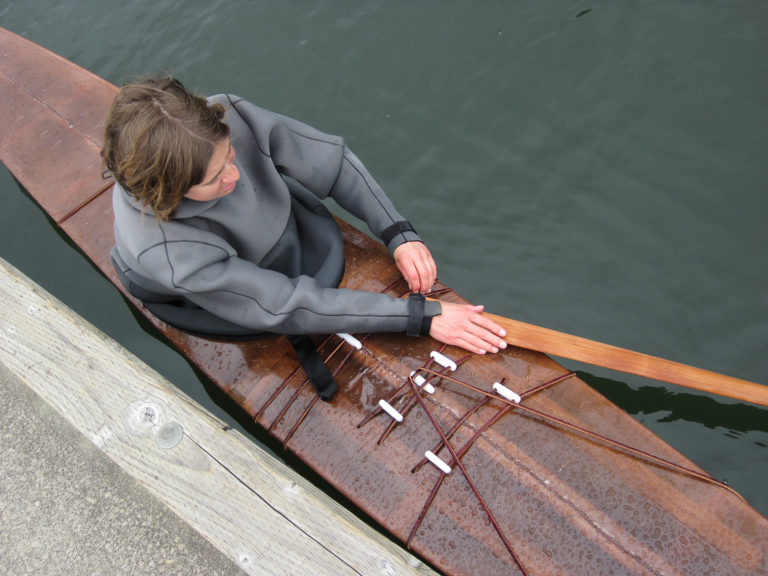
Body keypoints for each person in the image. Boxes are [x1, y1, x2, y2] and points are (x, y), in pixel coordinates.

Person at [102, 77, 506, 395]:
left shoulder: (229, 114)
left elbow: (332, 164)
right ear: (170, 192)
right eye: (215, 178)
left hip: (283, 235)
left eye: (230, 155)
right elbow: (284, 306)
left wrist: (398, 232)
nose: (236, 175)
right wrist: (419, 317)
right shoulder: (167, 249)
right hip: (200, 293)